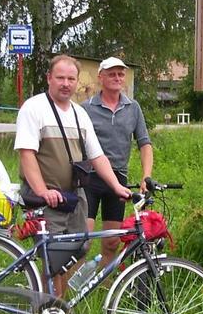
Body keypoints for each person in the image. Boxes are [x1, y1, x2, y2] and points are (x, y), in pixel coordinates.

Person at [14, 54, 131, 297]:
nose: (66, 84)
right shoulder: (34, 108)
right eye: (60, 78)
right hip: (46, 198)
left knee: (78, 249)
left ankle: (58, 305)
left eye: (71, 79)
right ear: (49, 78)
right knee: (54, 257)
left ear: (77, 81)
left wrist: (116, 186)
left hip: (73, 196)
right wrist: (42, 191)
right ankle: (52, 310)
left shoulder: (80, 113)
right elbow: (27, 155)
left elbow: (97, 156)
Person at [82, 56, 153, 270]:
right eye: (111, 74)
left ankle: (105, 287)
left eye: (120, 74)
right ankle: (73, 288)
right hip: (89, 177)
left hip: (118, 179)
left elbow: (144, 143)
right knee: (82, 242)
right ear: (101, 77)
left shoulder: (133, 108)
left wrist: (146, 176)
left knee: (112, 242)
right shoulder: (86, 108)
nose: (117, 78)